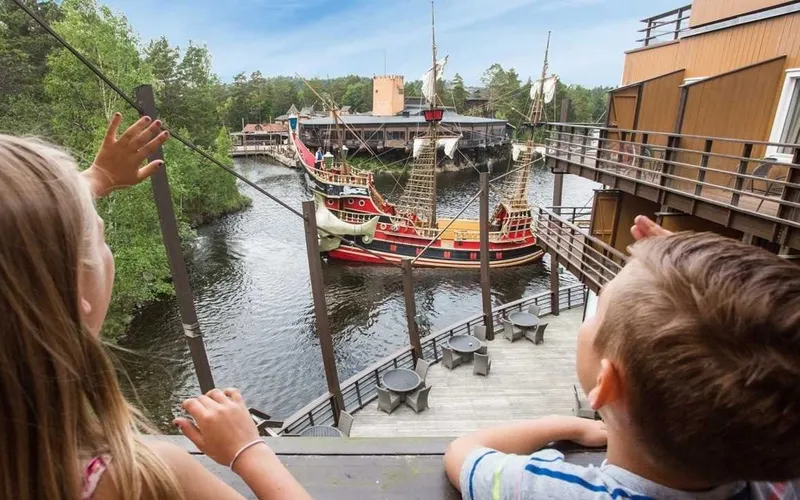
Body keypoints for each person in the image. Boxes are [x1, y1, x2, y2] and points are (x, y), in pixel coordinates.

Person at [0, 113, 310, 500]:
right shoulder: (139, 479)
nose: (103, 242)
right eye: (98, 234)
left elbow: (18, 234)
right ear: (72, 297)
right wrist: (248, 451)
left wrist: (98, 177)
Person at [444, 215, 800, 499]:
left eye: (598, 310)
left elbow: (463, 455)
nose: (593, 316)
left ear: (606, 383)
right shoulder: (776, 482)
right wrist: (687, 271)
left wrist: (566, 425)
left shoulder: (556, 491)